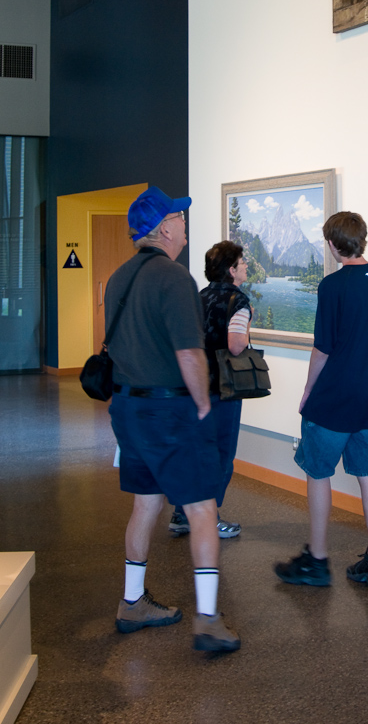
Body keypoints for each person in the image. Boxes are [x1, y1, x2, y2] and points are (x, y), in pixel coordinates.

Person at [105, 185, 240, 654]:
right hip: (170, 411)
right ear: (164, 228)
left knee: (145, 504)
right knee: (202, 507)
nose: (185, 225)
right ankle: (207, 619)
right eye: (179, 219)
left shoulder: (118, 278)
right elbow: (188, 351)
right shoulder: (174, 278)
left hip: (127, 408)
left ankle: (132, 602)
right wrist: (203, 403)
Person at [275, 211, 368, 588]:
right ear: (363, 239)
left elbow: (322, 349)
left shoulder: (332, 286)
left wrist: (308, 391)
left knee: (318, 473)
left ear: (331, 244)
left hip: (333, 398)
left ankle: (318, 559)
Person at [169, 240, 251, 541]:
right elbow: (236, 344)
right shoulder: (238, 300)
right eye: (242, 263)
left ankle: (181, 513)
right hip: (224, 388)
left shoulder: (198, 296)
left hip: (193, 384)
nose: (245, 267)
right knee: (221, 453)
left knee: (193, 448)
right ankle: (210, 517)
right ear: (231, 270)